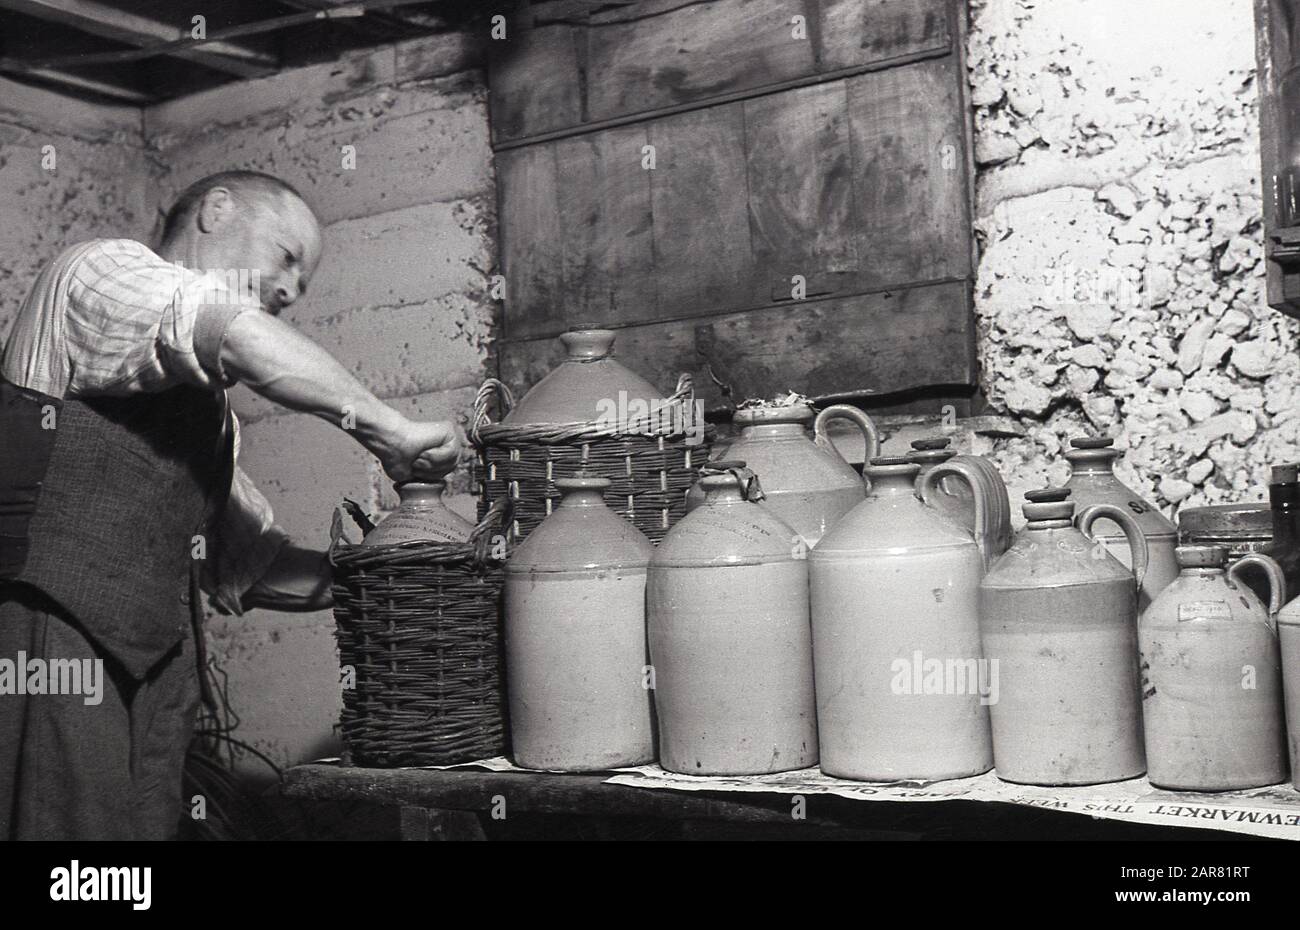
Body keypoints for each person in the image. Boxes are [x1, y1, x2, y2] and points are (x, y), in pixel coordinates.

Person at [0, 170, 460, 839]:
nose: (291, 290)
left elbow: (253, 567)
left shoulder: (213, 421)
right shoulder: (101, 272)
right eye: (287, 256)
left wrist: (390, 566)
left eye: (301, 283)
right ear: (216, 210)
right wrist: (388, 430)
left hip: (156, 665)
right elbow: (229, 332)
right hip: (57, 631)